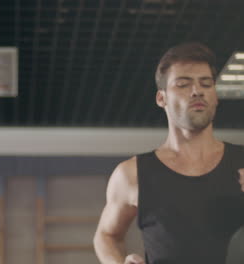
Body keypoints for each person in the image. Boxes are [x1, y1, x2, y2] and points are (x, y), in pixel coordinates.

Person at [93, 42, 244, 264]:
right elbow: (106, 235)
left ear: (215, 97)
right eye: (183, 84)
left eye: (206, 83)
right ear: (161, 98)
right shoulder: (132, 174)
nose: (197, 90)